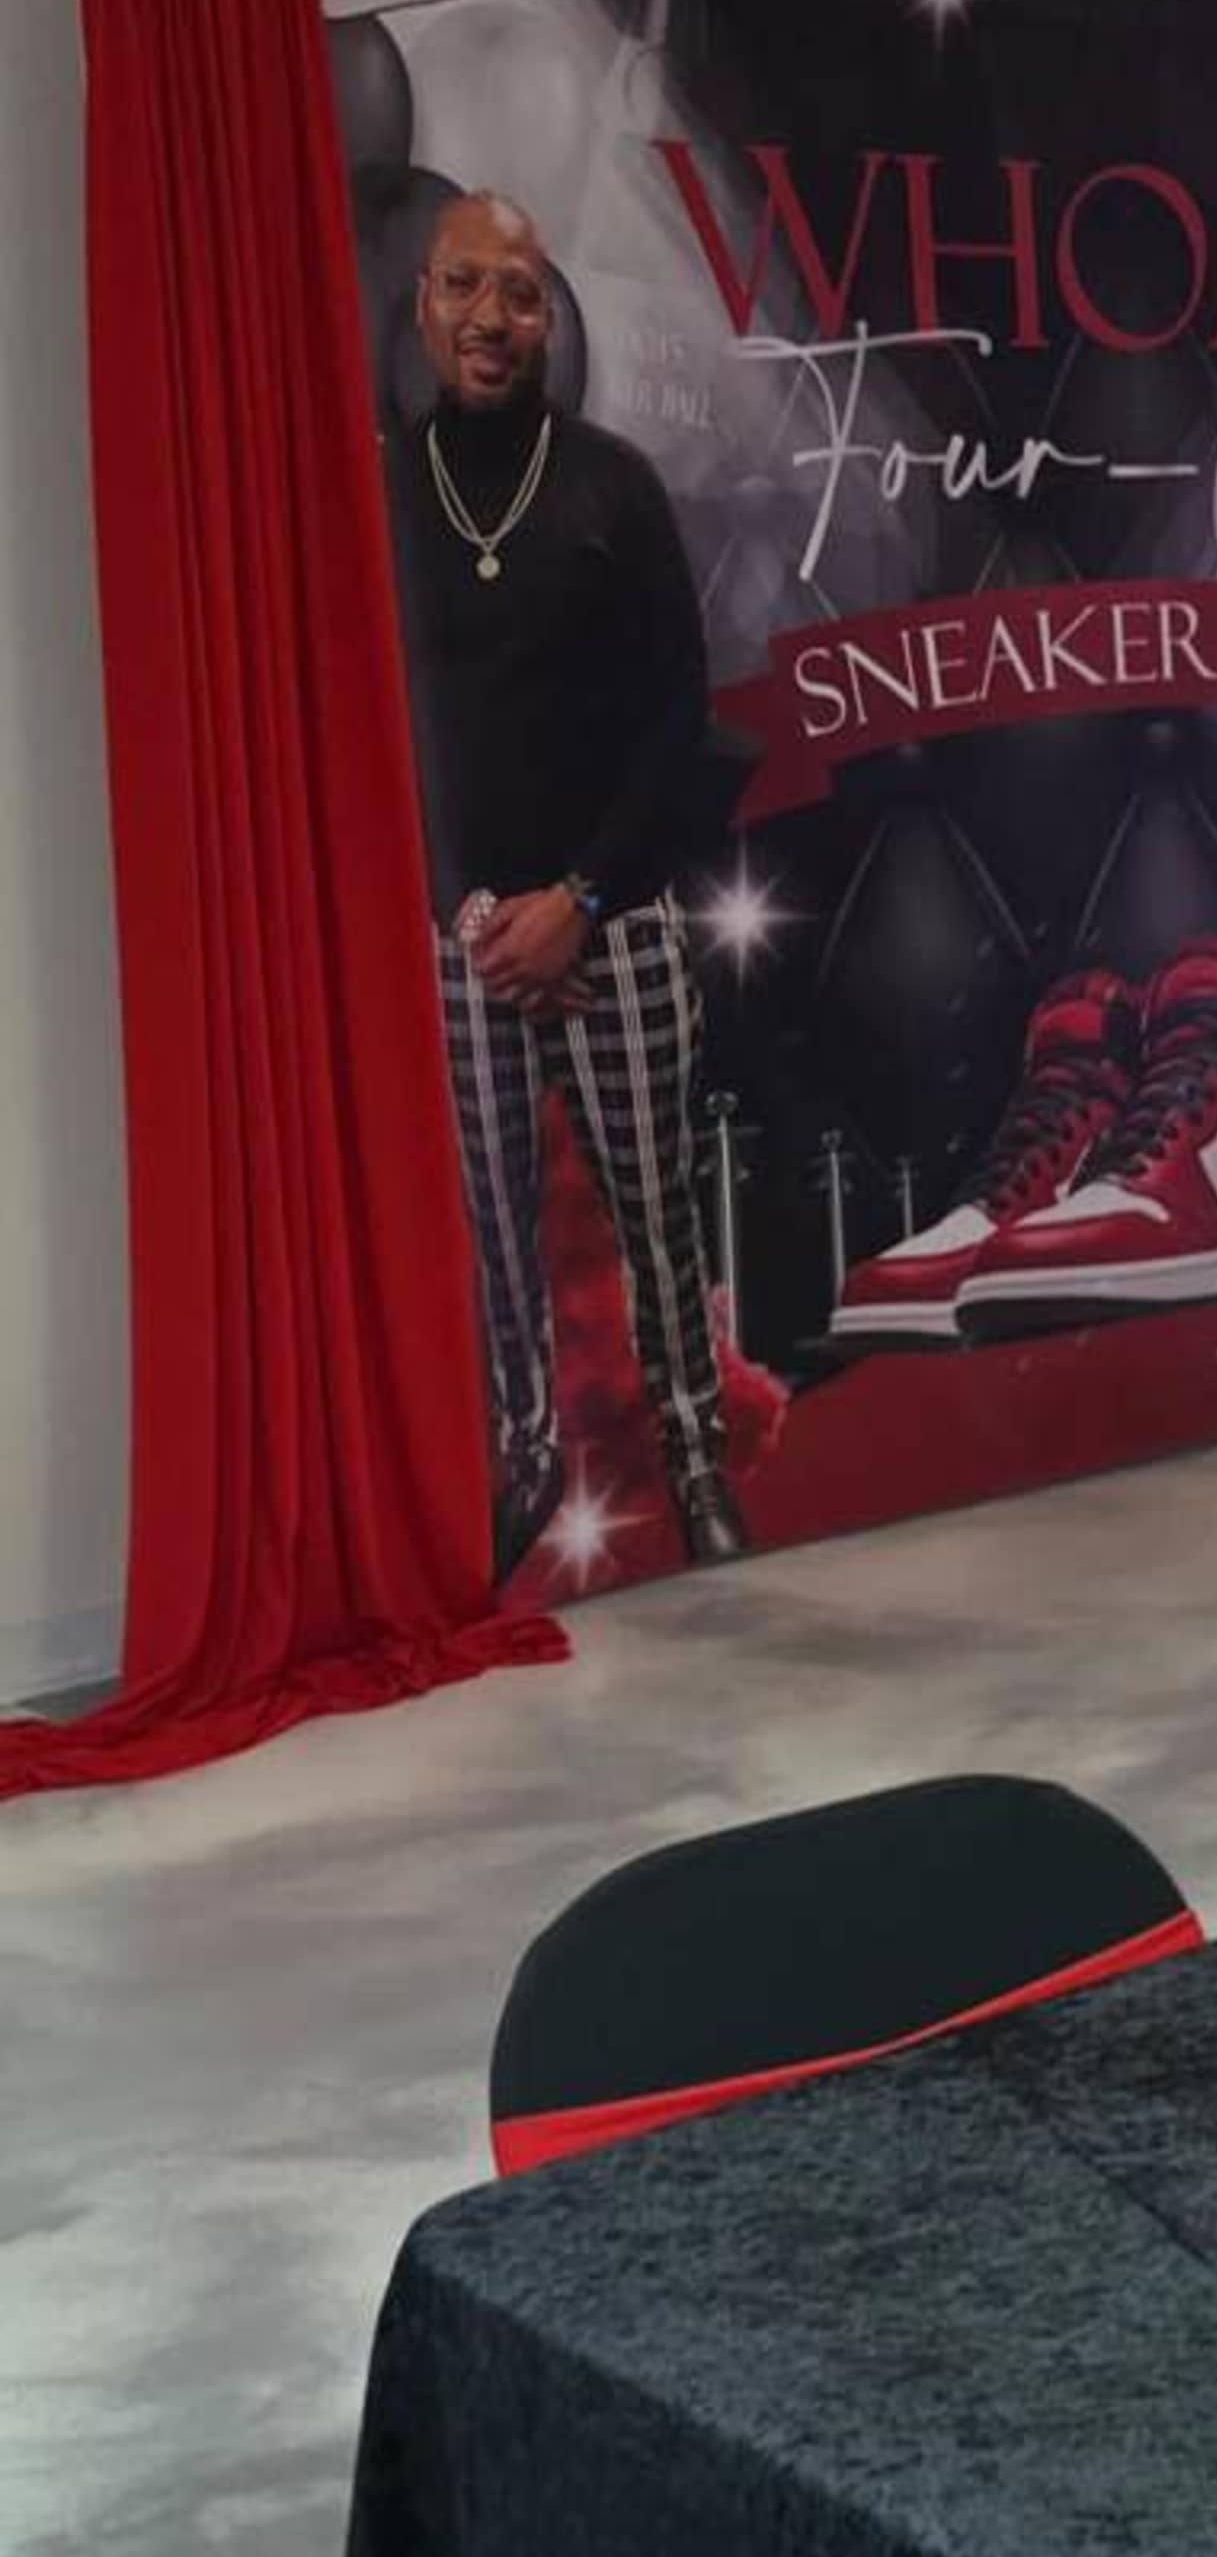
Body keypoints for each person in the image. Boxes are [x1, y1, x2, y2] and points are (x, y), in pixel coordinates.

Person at [380, 193, 746, 1580]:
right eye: (466, 287)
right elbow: (377, 729)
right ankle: (524, 1457)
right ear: (423, 303)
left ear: (548, 317)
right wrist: (477, 913)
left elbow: (680, 713)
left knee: (655, 1209)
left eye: (519, 294)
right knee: (492, 1222)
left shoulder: (611, 483)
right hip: (461, 938)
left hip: (617, 922)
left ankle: (695, 1453)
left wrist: (578, 901)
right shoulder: (381, 489)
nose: (491, 319)